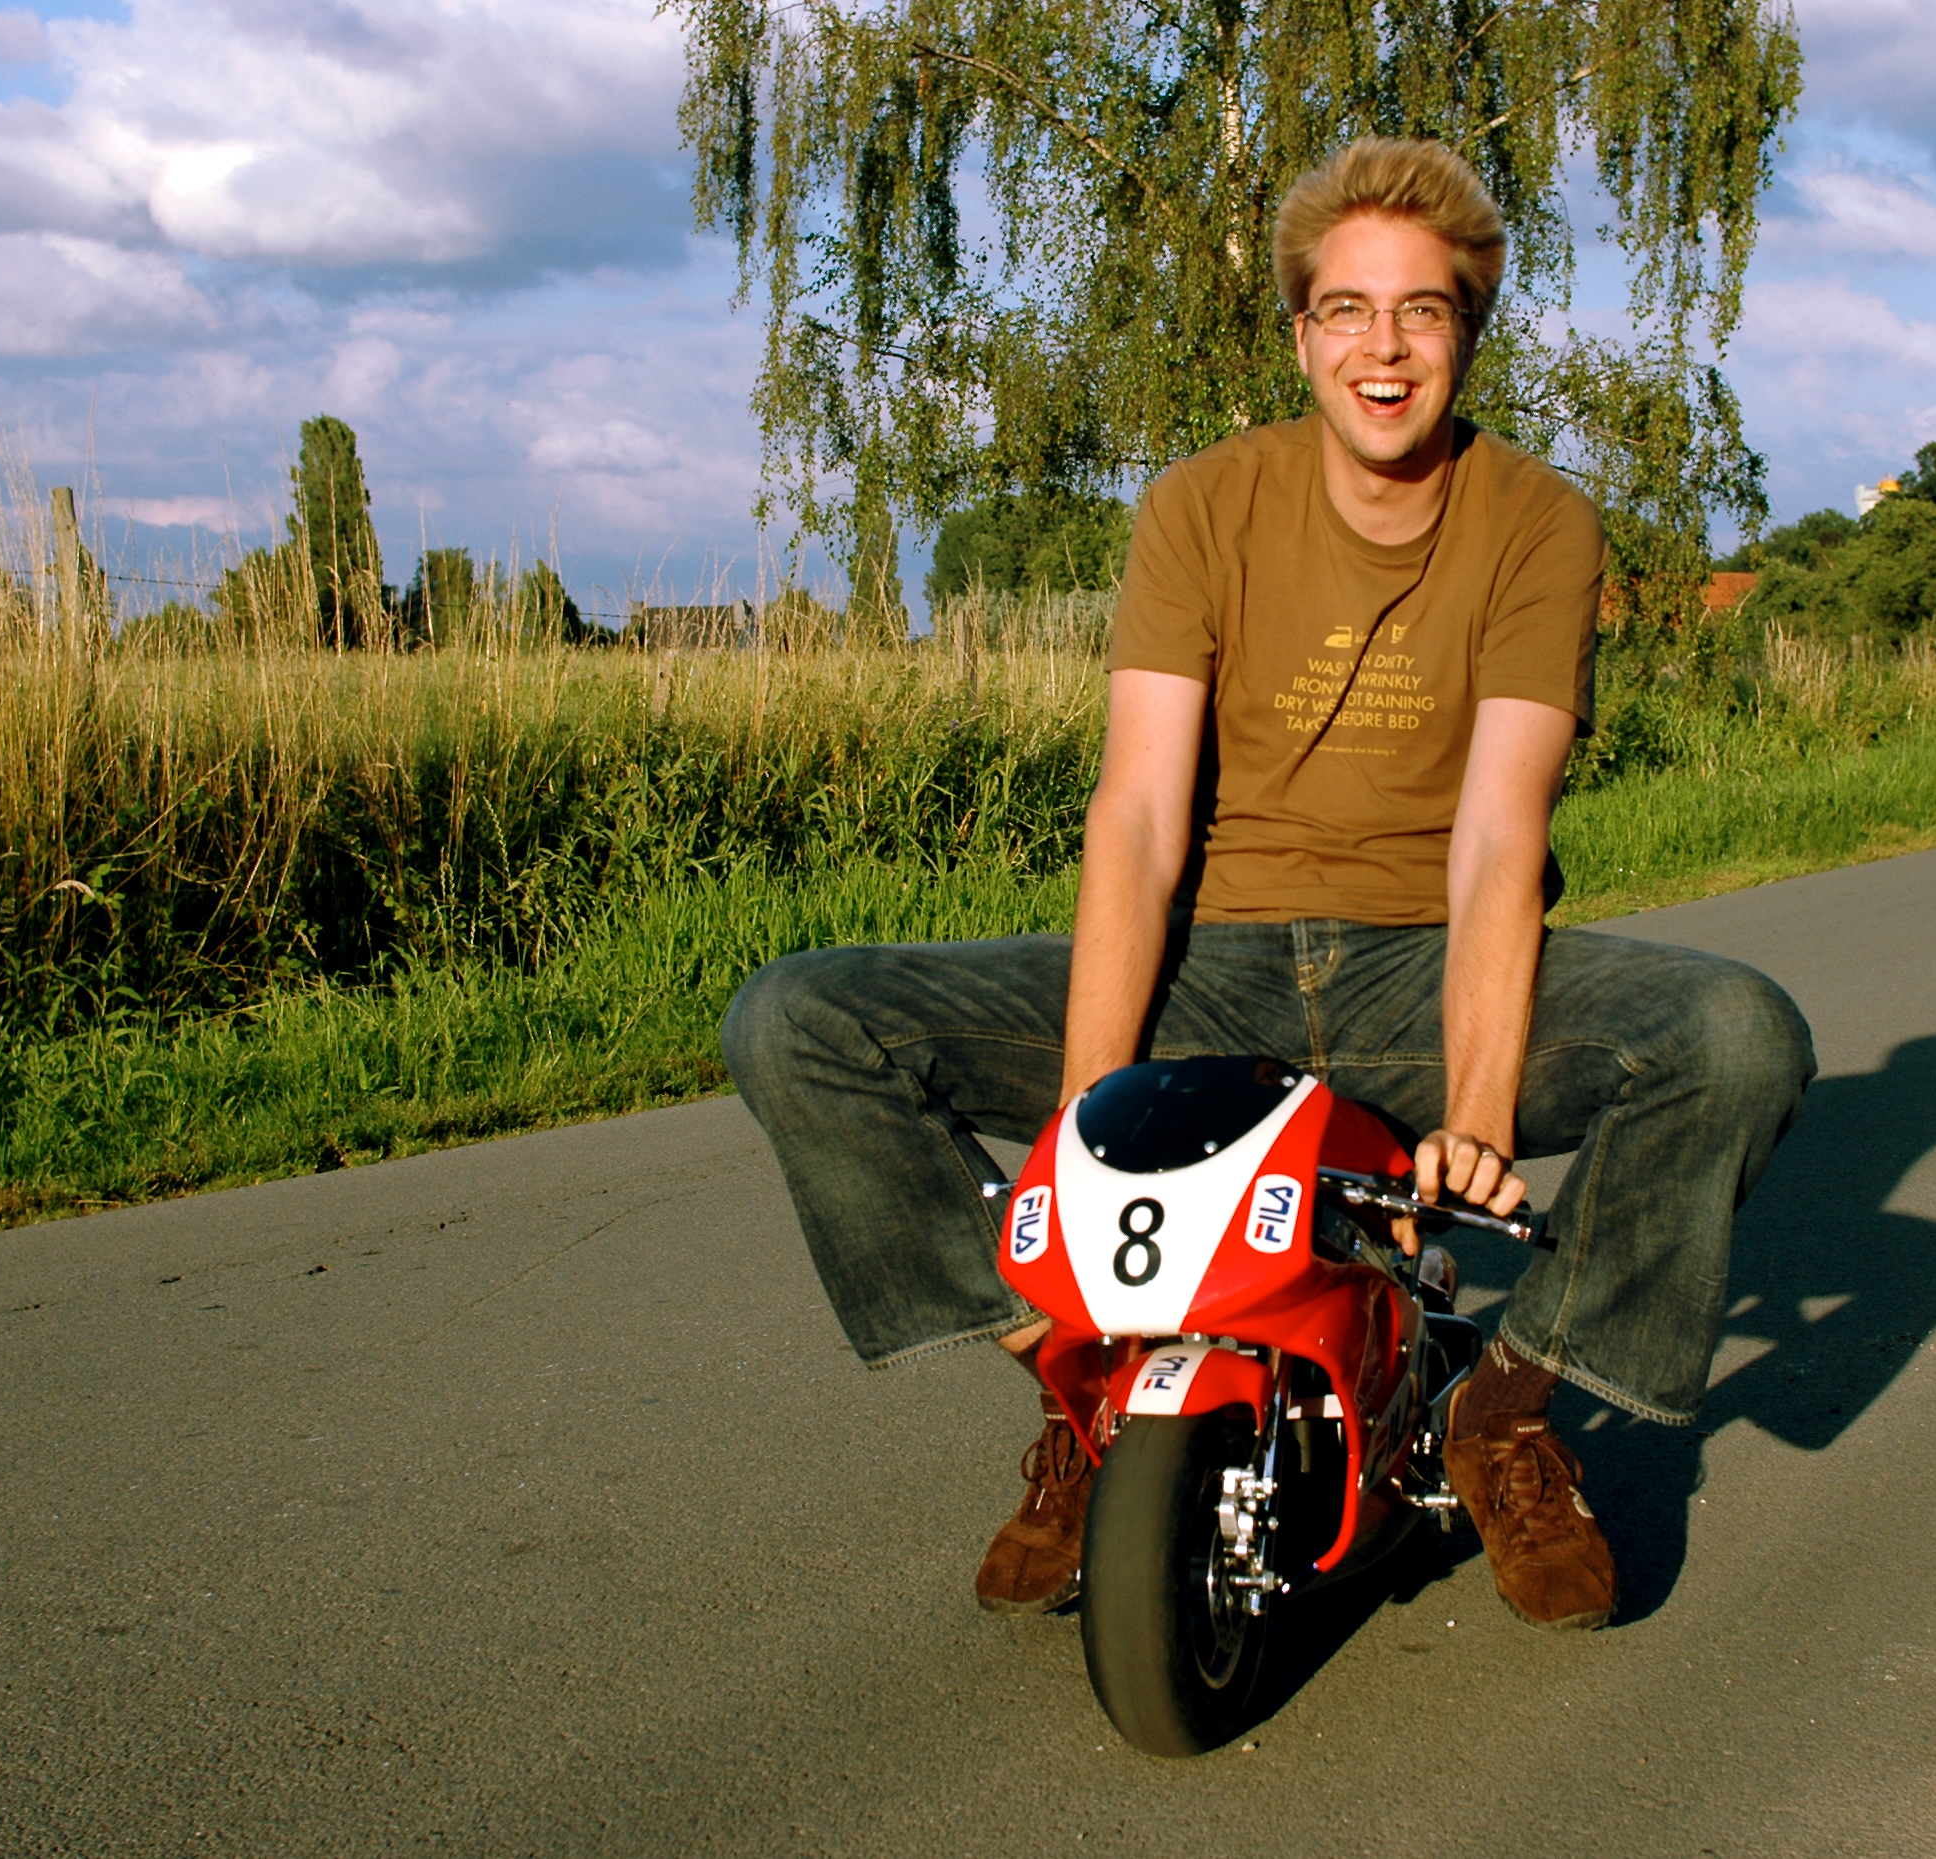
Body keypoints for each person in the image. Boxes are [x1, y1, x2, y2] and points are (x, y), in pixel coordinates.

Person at [723, 137, 1815, 1632]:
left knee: (1735, 1036)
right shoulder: (1200, 506)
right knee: (797, 1018)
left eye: (1421, 312)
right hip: (1207, 968)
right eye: (1348, 310)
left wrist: (1479, 1120)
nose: (1384, 347)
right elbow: (1141, 815)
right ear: (1301, 334)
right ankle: (1087, 1390)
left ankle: (1500, 1414)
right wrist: (1090, 1116)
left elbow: (1502, 834)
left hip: (1413, 976)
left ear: (1466, 336)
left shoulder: (1537, 523)